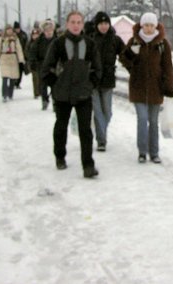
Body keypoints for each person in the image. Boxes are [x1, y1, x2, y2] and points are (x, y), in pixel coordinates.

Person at [41, 11, 102, 178]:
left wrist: (90, 85)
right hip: (62, 95)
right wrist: (55, 85)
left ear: (83, 24)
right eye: (73, 22)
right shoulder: (58, 44)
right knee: (61, 126)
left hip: (83, 94)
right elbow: (47, 69)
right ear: (67, 24)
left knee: (86, 131)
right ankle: (60, 156)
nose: (76, 25)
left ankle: (88, 165)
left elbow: (97, 69)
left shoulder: (89, 44)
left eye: (79, 22)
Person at [119, 12, 173, 164]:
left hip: (156, 88)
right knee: (142, 119)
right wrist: (131, 54)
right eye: (146, 25)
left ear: (155, 26)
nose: (149, 28)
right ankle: (142, 152)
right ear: (141, 25)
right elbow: (123, 59)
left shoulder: (162, 44)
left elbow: (168, 66)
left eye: (151, 25)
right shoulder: (134, 41)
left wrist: (169, 86)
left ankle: (154, 152)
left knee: (153, 120)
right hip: (138, 87)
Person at [89, 11, 125, 152]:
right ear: (96, 25)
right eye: (101, 24)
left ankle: (100, 131)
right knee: (98, 112)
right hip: (93, 80)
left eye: (106, 23)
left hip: (108, 81)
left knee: (107, 112)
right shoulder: (90, 39)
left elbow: (125, 54)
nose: (104, 26)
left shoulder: (115, 40)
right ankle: (101, 141)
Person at [0, 24, 26, 102]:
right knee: (5, 77)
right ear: (5, 30)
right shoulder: (1, 39)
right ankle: (4, 95)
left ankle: (10, 94)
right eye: (8, 29)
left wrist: (21, 60)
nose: (9, 31)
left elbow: (19, 49)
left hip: (13, 59)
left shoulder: (15, 39)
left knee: (12, 79)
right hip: (4, 59)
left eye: (10, 29)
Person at [28, 19, 57, 110]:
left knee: (55, 86)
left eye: (50, 30)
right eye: (47, 30)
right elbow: (33, 52)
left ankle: (55, 103)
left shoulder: (57, 41)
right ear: (44, 31)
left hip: (54, 66)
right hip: (42, 65)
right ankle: (44, 100)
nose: (49, 32)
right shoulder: (39, 41)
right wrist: (33, 62)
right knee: (43, 85)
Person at [26, 27, 41, 99]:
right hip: (33, 63)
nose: (35, 36)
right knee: (35, 78)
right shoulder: (29, 43)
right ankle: (36, 93)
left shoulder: (41, 43)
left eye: (36, 34)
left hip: (40, 63)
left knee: (41, 78)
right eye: (34, 35)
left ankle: (41, 91)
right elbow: (26, 52)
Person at [13, 21, 28, 89]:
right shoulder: (12, 35)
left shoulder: (23, 35)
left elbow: (26, 45)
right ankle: (14, 82)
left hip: (22, 55)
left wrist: (25, 54)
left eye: (18, 28)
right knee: (14, 70)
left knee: (21, 70)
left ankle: (18, 83)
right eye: (16, 28)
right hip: (14, 55)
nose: (17, 30)